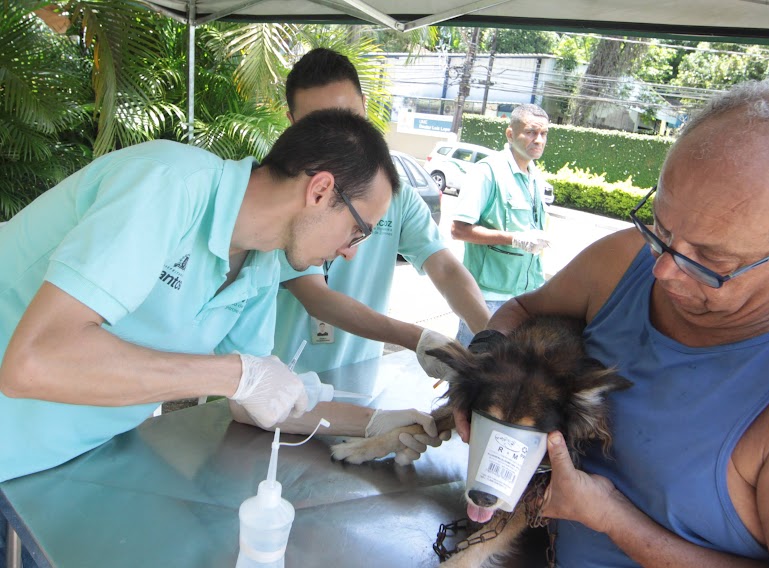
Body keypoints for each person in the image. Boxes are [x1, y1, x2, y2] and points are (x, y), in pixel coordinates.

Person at [456, 79, 769, 566]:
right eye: (659, 229)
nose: (662, 270)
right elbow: (522, 310)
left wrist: (609, 518)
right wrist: (480, 366)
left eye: (710, 258)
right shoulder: (624, 261)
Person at [0, 109, 409, 562]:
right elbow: (34, 362)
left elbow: (255, 401)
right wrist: (234, 375)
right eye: (358, 230)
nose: (351, 253)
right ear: (320, 190)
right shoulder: (168, 185)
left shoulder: (261, 264)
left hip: (62, 473)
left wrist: (377, 424)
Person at [272, 48, 490, 378]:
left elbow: (444, 268)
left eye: (348, 119)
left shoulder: (395, 195)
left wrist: (494, 337)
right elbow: (316, 296)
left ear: (364, 107)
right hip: (279, 385)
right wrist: (416, 338)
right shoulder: (281, 193)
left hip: (358, 384)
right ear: (292, 125)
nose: (337, 141)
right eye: (316, 127)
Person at [451, 103, 552, 346]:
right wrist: (513, 238)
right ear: (510, 134)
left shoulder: (535, 177)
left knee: (507, 366)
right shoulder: (487, 172)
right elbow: (458, 230)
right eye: (530, 132)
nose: (538, 140)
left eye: (543, 133)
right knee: (474, 363)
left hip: (525, 297)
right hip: (487, 297)